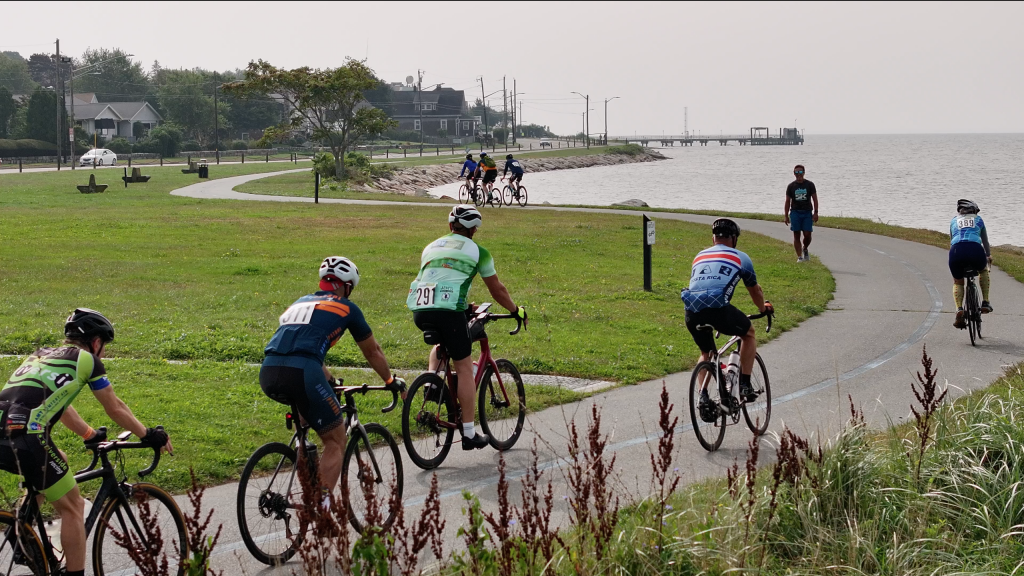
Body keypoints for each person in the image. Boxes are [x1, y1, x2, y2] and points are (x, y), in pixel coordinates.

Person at [0, 309, 172, 576]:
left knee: (61, 460)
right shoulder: (88, 361)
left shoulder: (39, 355)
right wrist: (147, 434)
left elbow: (61, 405)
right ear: (96, 342)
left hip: (4, 430)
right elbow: (115, 408)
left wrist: (89, 434)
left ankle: (22, 532)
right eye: (104, 345)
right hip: (28, 437)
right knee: (74, 506)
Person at [260, 257, 404, 505]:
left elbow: (299, 345)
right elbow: (373, 352)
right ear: (346, 286)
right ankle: (322, 507)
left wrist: (328, 379)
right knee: (336, 439)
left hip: (269, 370)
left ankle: (305, 475)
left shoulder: (300, 302)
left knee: (306, 424)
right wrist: (390, 380)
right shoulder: (347, 308)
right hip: (303, 372)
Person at [407, 205, 526, 450]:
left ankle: (432, 385)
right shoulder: (478, 252)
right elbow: (497, 290)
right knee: (463, 367)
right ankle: (470, 434)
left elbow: (439, 280)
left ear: (450, 226)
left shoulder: (431, 247)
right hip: (448, 313)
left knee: (443, 345)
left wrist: (464, 306)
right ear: (473, 230)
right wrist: (516, 310)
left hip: (420, 311)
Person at [681, 219, 773, 421]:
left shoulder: (699, 255)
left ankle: (703, 397)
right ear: (734, 239)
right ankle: (745, 384)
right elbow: (755, 290)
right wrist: (763, 308)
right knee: (748, 334)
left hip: (691, 311)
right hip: (717, 309)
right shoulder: (741, 257)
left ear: (713, 238)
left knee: (706, 352)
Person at [949, 199, 993, 328]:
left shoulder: (953, 220)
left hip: (956, 251)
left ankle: (959, 309)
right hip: (975, 249)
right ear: (974, 210)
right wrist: (988, 255)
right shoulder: (978, 220)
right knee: (983, 270)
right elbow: (985, 242)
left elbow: (952, 240)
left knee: (958, 280)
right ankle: (985, 302)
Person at [784, 164, 818, 262]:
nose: (799, 174)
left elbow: (815, 199)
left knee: (807, 234)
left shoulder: (810, 184)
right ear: (794, 173)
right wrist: (786, 216)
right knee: (796, 234)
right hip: (795, 212)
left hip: (807, 212)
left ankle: (805, 248)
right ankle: (799, 257)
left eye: (800, 172)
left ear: (804, 172)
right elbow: (787, 201)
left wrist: (816, 212)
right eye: (796, 172)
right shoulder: (791, 186)